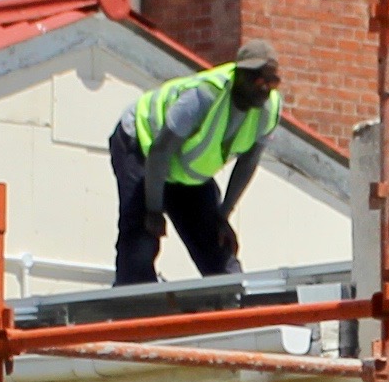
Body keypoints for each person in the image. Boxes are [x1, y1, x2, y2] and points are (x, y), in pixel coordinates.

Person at [108, 45, 277, 288]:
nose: (264, 87)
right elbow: (160, 151)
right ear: (238, 75)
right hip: (142, 145)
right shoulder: (205, 96)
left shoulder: (268, 111)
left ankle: (232, 297)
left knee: (216, 237)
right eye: (257, 78)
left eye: (271, 80)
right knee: (142, 235)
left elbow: (247, 164)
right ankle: (135, 303)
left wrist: (223, 214)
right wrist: (153, 209)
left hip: (182, 168)